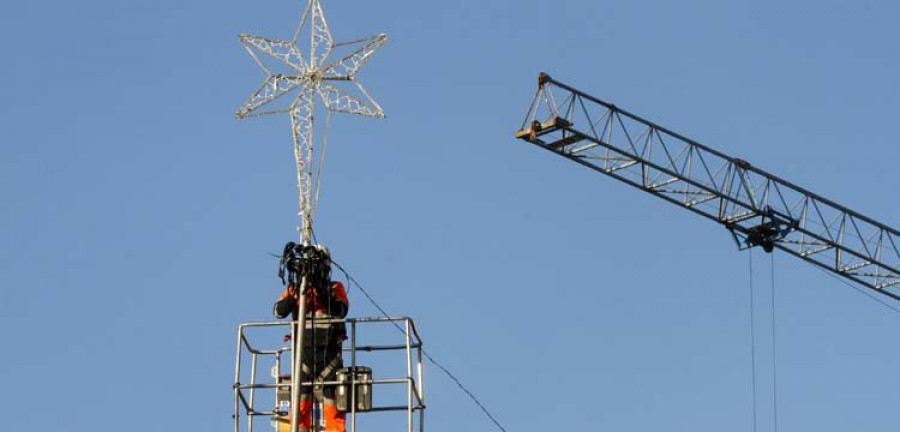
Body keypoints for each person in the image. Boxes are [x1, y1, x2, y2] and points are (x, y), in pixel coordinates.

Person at [273, 244, 349, 432]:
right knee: (299, 407)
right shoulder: (296, 289)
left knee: (335, 408)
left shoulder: (334, 288)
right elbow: (278, 311)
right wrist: (298, 292)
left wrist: (321, 290)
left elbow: (340, 311)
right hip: (303, 357)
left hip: (330, 357)